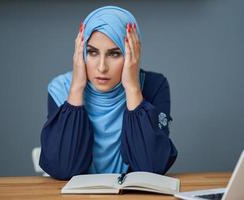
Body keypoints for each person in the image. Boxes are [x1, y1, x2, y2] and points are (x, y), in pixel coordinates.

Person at [39, 6, 177, 180]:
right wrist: (76, 89)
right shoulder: (60, 89)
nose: (102, 67)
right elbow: (63, 168)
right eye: (92, 52)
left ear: (132, 54)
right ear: (80, 53)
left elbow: (150, 168)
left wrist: (133, 89)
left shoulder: (153, 86)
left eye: (114, 54)